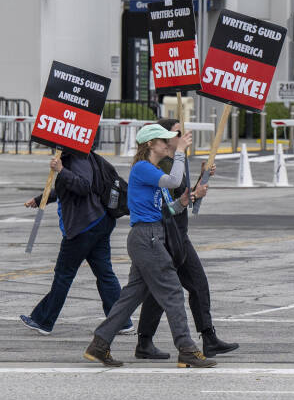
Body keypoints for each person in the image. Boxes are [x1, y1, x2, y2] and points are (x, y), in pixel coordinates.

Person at [83, 123, 216, 368]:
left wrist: (186, 199)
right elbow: (174, 179)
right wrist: (180, 151)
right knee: (174, 292)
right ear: (150, 145)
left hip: (149, 235)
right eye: (163, 141)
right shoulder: (144, 168)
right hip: (148, 238)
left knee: (132, 296)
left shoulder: (150, 171)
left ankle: (99, 344)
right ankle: (186, 348)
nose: (168, 144)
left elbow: (167, 210)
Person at [132, 118, 234, 361]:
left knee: (162, 291)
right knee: (178, 288)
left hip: (177, 232)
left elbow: (185, 199)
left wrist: (201, 180)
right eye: (177, 133)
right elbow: (171, 198)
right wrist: (193, 190)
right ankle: (155, 341)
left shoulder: (177, 160)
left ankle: (150, 341)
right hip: (167, 235)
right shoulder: (164, 164)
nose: (182, 136)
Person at [19, 148, 126, 335]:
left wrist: (61, 170)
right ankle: (122, 322)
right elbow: (66, 188)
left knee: (63, 275)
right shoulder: (78, 155)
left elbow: (83, 186)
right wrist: (40, 199)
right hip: (97, 221)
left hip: (83, 226)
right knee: (104, 273)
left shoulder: (77, 157)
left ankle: (43, 321)